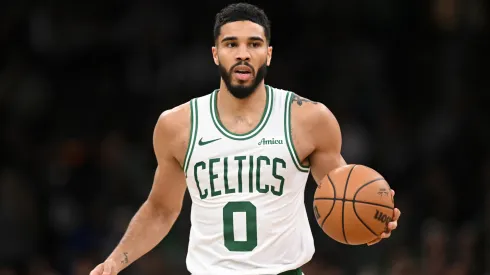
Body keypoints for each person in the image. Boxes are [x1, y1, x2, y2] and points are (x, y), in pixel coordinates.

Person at [89, 3, 401, 275]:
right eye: (231, 44)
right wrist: (117, 260)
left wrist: (375, 218)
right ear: (215, 53)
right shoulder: (177, 126)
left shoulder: (309, 120)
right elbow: (161, 210)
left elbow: (341, 196)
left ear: (268, 53)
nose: (242, 54)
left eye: (253, 44)